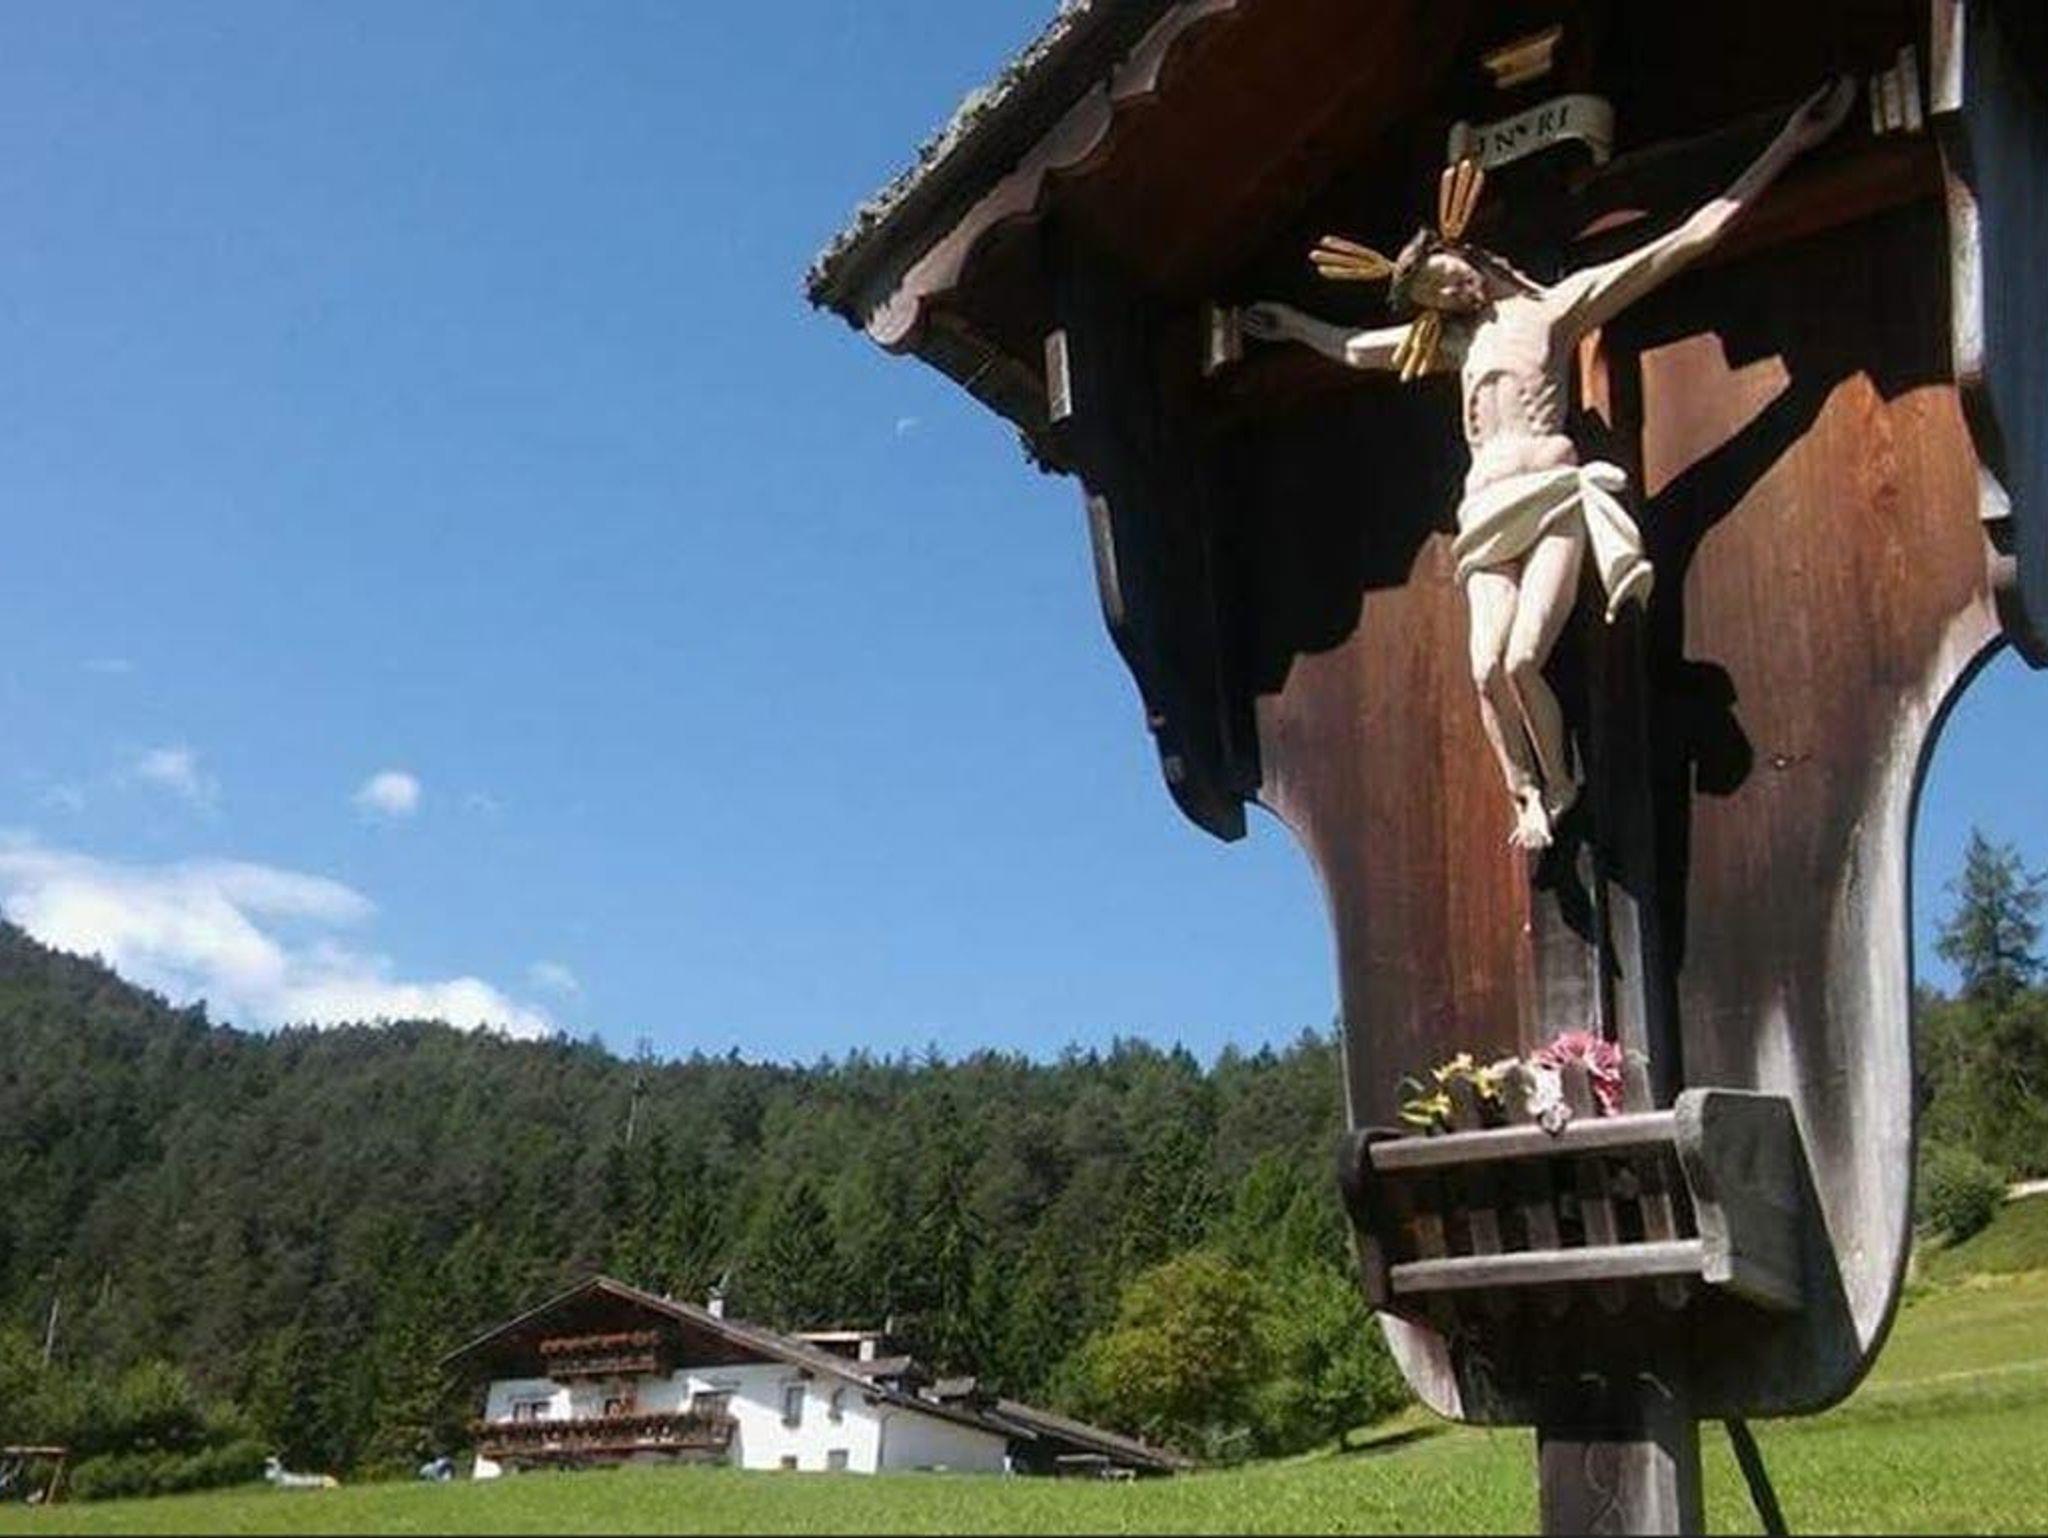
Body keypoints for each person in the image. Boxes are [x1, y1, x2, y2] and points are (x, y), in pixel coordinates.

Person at [1241, 76, 1856, 850]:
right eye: (1436, 293)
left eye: (1446, 275)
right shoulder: (1457, 344)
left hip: (1552, 496)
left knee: (1523, 655)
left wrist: (1787, 145)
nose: (1451, 290)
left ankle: (1561, 783)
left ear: (1467, 256)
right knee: (1484, 669)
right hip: (1484, 516)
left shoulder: (1553, 311)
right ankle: (1528, 792)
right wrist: (1294, 326)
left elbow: (1685, 240)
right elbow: (1360, 349)